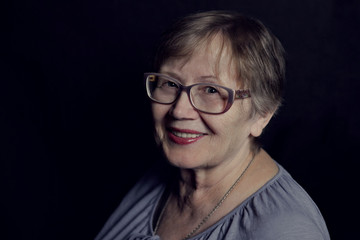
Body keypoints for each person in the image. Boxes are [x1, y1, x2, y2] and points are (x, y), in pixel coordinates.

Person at [95, 11, 330, 240]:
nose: (179, 110)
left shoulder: (287, 230)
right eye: (169, 83)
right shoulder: (161, 176)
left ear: (262, 115)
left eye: (211, 90)